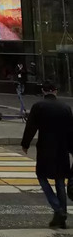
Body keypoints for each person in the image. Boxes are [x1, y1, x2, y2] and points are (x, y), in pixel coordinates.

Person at [21, 80, 73, 229]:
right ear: (55, 91)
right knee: (60, 180)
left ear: (43, 91)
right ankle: (62, 216)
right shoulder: (66, 108)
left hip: (45, 149)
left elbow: (31, 127)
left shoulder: (39, 106)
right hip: (62, 150)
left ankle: (57, 208)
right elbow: (71, 131)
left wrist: (25, 144)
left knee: (41, 176)